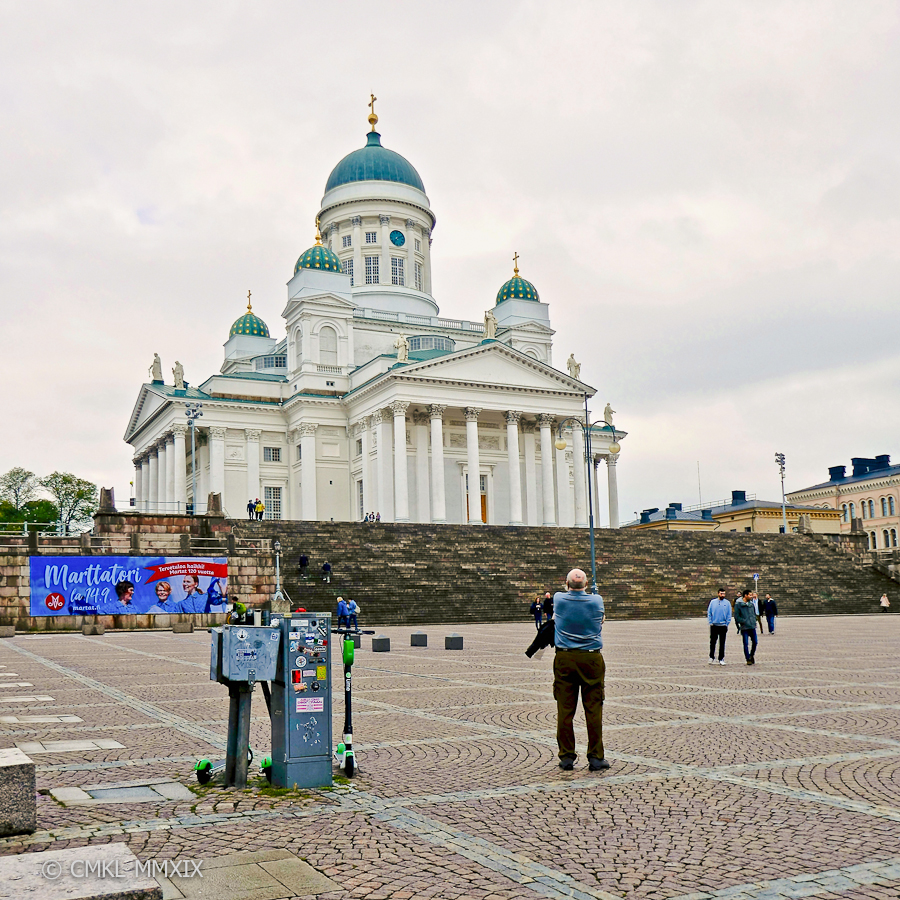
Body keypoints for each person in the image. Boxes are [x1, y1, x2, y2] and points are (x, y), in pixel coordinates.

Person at [551, 568, 609, 772]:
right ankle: (595, 757)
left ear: (567, 585)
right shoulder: (597, 601)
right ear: (586, 585)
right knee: (593, 708)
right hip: (591, 657)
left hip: (565, 657)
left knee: (565, 709)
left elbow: (563, 594)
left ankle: (566, 757)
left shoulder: (559, 599)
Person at [707, 588, 732, 665]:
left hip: (723, 625)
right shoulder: (713, 602)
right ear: (718, 593)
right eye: (721, 593)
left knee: (722, 642)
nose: (722, 595)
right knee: (713, 642)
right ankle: (711, 656)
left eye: (724, 593)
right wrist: (710, 622)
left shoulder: (727, 603)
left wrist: (727, 623)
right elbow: (709, 612)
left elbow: (729, 614)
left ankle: (721, 658)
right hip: (714, 625)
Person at [734, 589, 758, 665]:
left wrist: (754, 620)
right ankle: (748, 658)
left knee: (755, 642)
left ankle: (751, 655)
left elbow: (753, 614)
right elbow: (737, 617)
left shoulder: (751, 604)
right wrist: (744, 621)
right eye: (750, 595)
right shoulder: (738, 604)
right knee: (746, 643)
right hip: (745, 627)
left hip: (752, 626)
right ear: (745, 595)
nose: (752, 596)